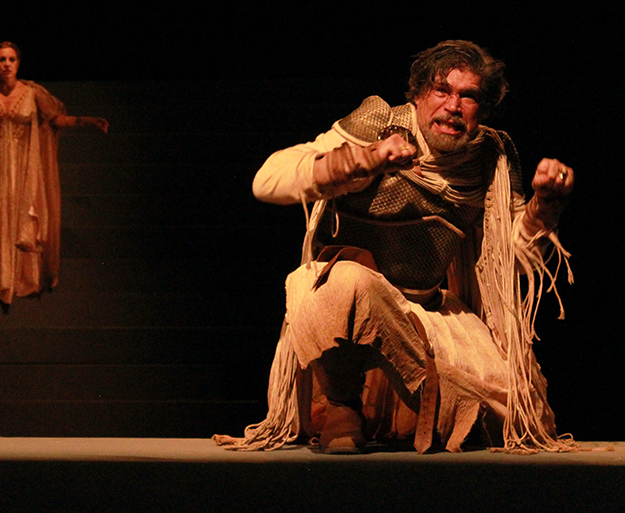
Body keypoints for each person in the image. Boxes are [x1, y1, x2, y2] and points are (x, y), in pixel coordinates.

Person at [214, 40, 575, 454]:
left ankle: (412, 410)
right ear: (419, 95)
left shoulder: (489, 156)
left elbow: (515, 258)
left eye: (468, 96)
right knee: (339, 281)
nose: (453, 106)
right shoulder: (378, 122)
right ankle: (342, 404)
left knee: (517, 417)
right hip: (347, 312)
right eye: (442, 91)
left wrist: (545, 207)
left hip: (426, 314)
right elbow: (268, 180)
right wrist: (364, 160)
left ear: (485, 108)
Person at [0, 42, 108, 307]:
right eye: (1, 59)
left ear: (18, 63)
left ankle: (18, 278)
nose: (7, 64)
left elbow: (55, 119)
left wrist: (84, 121)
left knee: (20, 219)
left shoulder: (32, 93)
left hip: (23, 167)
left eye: (11, 59)